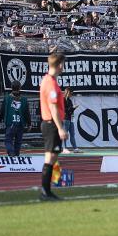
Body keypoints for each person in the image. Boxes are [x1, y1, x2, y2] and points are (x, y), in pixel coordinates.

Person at [39, 52, 68, 201]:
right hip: (51, 123)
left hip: (49, 123)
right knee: (50, 158)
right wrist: (60, 127)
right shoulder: (50, 83)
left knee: (50, 157)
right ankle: (45, 191)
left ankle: (46, 191)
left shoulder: (48, 80)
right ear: (60, 64)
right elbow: (53, 107)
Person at [3, 81, 30, 156]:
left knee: (8, 140)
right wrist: (29, 124)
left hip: (10, 122)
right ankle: (16, 154)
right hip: (20, 123)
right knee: (18, 141)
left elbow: (2, 110)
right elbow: (27, 113)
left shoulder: (7, 98)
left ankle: (11, 152)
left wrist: (0, 119)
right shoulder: (24, 99)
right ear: (20, 88)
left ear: (11, 87)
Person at [63, 88, 81, 153]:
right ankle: (64, 148)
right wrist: (73, 107)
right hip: (65, 118)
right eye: (71, 93)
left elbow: (70, 111)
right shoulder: (63, 100)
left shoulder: (69, 100)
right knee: (65, 134)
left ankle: (75, 148)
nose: (72, 95)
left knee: (72, 134)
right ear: (68, 92)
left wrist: (74, 108)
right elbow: (65, 110)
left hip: (71, 118)